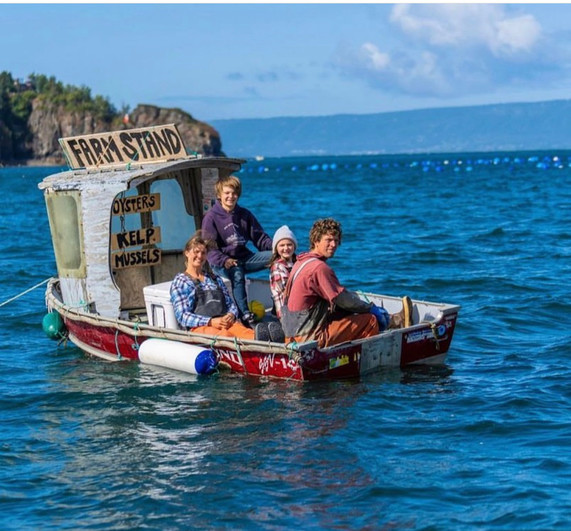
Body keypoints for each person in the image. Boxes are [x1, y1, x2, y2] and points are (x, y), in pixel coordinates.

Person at [280, 218, 413, 348]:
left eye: (336, 241)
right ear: (316, 241)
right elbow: (342, 299)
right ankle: (368, 359)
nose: (333, 245)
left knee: (345, 311)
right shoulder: (319, 268)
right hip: (310, 339)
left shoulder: (300, 262)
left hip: (292, 336)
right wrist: (370, 308)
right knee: (369, 320)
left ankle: (394, 320)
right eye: (329, 240)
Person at [201, 174, 272, 327]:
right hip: (221, 263)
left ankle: (279, 305)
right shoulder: (211, 217)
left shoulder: (245, 214)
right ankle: (245, 314)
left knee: (276, 258)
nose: (231, 196)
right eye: (227, 193)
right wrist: (224, 260)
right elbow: (210, 248)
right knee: (237, 272)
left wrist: (280, 249)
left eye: (234, 193)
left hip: (244, 258)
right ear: (219, 195)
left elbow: (260, 239)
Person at [170, 232, 255, 340]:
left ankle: (276, 345)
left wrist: (231, 315)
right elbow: (182, 316)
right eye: (196, 252)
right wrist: (210, 322)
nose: (200, 256)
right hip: (200, 329)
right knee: (225, 337)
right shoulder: (180, 282)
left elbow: (230, 304)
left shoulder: (215, 278)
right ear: (187, 253)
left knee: (249, 334)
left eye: (203, 253)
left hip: (225, 324)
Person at [269, 225, 298, 318]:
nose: (286, 248)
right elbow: (286, 292)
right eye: (282, 245)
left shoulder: (297, 263)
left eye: (289, 244)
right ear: (276, 248)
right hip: (285, 311)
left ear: (294, 246)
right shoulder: (277, 267)